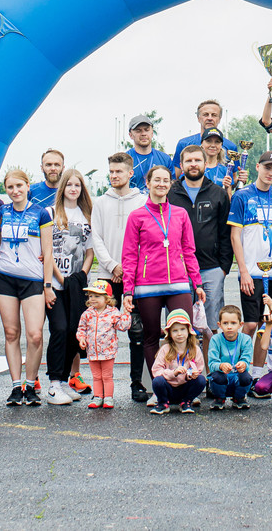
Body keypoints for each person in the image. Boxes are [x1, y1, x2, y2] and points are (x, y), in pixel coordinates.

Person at [121, 166, 206, 407]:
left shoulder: (180, 214)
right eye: (156, 180)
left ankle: (187, 387)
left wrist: (197, 282)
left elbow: (188, 250)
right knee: (150, 337)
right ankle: (160, 388)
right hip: (147, 285)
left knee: (186, 334)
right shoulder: (137, 216)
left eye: (165, 180)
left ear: (171, 184)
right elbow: (129, 255)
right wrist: (128, 289)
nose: (161, 184)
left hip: (178, 283)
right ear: (147, 183)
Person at [92, 153, 150, 403]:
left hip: (135, 276)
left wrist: (128, 268)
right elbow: (96, 238)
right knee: (103, 331)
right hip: (107, 276)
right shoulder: (100, 203)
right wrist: (112, 265)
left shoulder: (143, 201)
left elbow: (146, 238)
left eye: (119, 171)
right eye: (111, 171)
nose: (114, 176)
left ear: (130, 173)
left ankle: (137, 383)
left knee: (137, 332)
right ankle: (103, 387)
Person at [0, 169, 53, 406]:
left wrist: (47, 285)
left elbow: (48, 251)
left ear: (28, 186)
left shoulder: (41, 213)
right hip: (5, 278)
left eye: (19, 186)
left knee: (35, 335)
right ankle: (16, 386)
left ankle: (30, 384)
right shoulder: (2, 212)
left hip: (32, 280)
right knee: (11, 333)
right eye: (10, 187)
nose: (15, 191)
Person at [168, 143, 233, 345]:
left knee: (211, 327)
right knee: (180, 326)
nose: (193, 164)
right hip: (179, 269)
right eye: (189, 161)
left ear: (206, 163)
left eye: (197, 160)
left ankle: (211, 364)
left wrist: (223, 267)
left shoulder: (218, 193)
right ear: (181, 165)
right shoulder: (170, 194)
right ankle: (184, 365)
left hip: (211, 268)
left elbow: (225, 233)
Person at [45, 167, 97, 405]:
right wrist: (60, 278)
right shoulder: (51, 213)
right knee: (59, 328)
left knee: (74, 331)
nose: (73, 189)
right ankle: (54, 383)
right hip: (56, 284)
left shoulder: (87, 216)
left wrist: (81, 275)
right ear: (62, 187)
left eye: (77, 185)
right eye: (69, 185)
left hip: (77, 285)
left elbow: (89, 252)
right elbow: (48, 251)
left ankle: (65, 380)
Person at [229, 151, 272, 337]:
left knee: (268, 324)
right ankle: (242, 357)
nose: (270, 173)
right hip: (251, 271)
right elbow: (235, 236)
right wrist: (243, 271)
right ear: (257, 167)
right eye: (267, 168)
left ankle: (260, 359)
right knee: (251, 324)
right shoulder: (241, 196)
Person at [75, 280, 129, 409]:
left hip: (108, 351)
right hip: (92, 351)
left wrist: (126, 314)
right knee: (96, 376)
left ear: (107, 299)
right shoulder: (87, 314)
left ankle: (108, 397)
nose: (92, 299)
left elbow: (123, 326)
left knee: (107, 376)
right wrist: (81, 339)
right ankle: (98, 396)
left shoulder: (113, 313)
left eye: (97, 296)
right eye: (90, 296)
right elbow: (81, 329)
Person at [149, 308, 206, 414]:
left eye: (182, 329)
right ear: (170, 333)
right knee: (157, 381)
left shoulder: (195, 349)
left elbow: (199, 368)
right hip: (168, 387)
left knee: (201, 380)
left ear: (188, 330)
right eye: (175, 330)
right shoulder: (165, 349)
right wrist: (173, 373)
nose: (179, 333)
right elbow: (156, 370)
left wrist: (191, 374)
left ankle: (186, 401)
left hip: (185, 386)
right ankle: (163, 403)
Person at [206, 306, 256, 409]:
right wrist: (220, 366)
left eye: (233, 323)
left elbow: (246, 359)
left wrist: (243, 364)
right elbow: (212, 363)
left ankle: (239, 398)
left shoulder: (246, 339)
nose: (229, 327)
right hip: (222, 376)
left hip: (237, 376)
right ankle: (219, 398)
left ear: (240, 325)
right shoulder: (215, 339)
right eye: (225, 323)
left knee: (246, 378)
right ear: (219, 325)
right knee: (216, 377)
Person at [173, 99, 224, 173]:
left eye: (214, 115)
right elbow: (176, 176)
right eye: (205, 115)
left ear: (219, 119)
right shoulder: (184, 143)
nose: (209, 118)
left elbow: (233, 177)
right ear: (198, 118)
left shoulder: (230, 146)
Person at [124, 116, 172, 192]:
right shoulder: (123, 160)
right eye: (138, 131)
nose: (143, 134)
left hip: (158, 199)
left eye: (146, 130)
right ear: (131, 135)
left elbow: (172, 186)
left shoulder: (165, 159)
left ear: (152, 133)